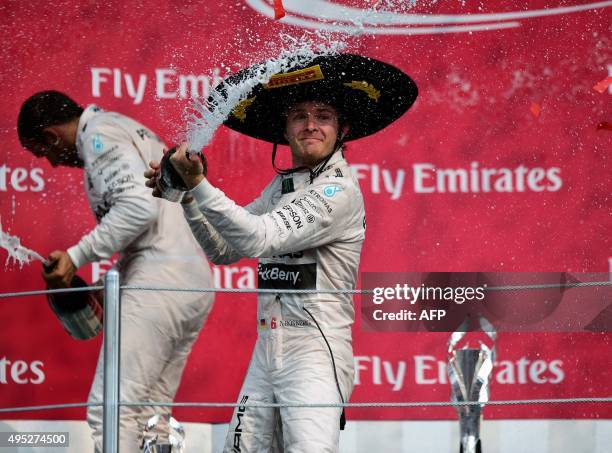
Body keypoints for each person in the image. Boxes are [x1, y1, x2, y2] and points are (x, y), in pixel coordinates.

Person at [146, 53, 418, 452]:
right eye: (299, 116)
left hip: (315, 355)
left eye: (323, 115)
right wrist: (188, 194)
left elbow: (258, 239)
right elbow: (223, 250)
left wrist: (200, 184)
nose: (311, 125)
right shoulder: (284, 188)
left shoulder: (337, 189)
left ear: (343, 130)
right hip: (266, 351)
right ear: (285, 130)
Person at [17, 91, 215, 453]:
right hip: (189, 282)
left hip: (159, 283)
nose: (52, 165)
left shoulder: (99, 136)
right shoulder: (123, 127)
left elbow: (139, 209)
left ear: (50, 137)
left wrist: (76, 256)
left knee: (112, 410)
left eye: (42, 153)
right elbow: (155, 220)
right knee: (152, 414)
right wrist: (110, 285)